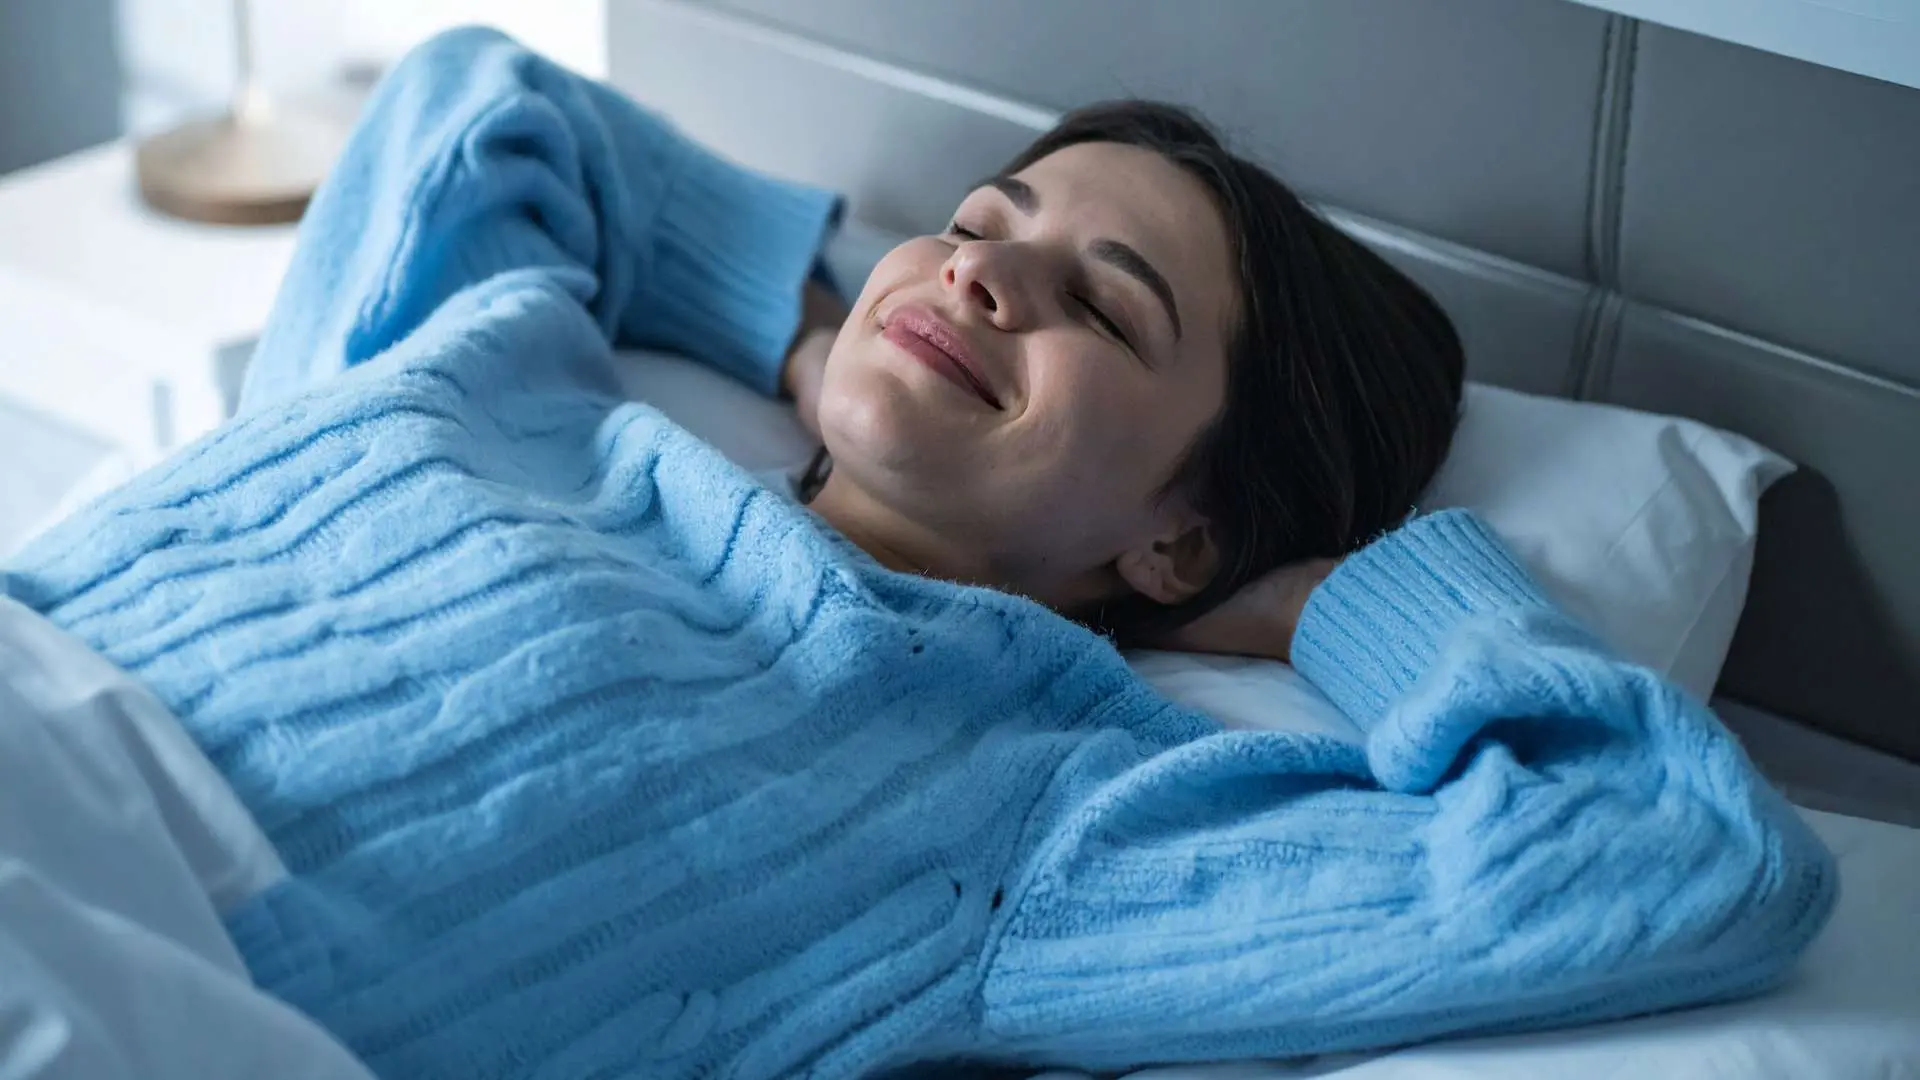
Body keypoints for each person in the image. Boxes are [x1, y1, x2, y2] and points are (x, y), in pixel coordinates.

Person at [0, 27, 1834, 1080]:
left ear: (1180, 528)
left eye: (1100, 314)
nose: (983, 272)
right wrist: (804, 339)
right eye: (976, 222)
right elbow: (488, 99)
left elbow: (1672, 856)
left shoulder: (1025, 819)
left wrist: (1358, 600)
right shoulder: (511, 369)